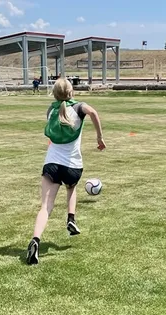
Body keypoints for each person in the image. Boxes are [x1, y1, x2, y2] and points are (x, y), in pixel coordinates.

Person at [26, 78, 106, 265]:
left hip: (52, 163)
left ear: (54, 93)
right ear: (72, 92)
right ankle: (71, 218)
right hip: (73, 165)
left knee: (46, 206)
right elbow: (93, 112)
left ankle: (35, 240)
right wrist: (99, 138)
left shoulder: (50, 110)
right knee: (71, 187)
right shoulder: (79, 107)